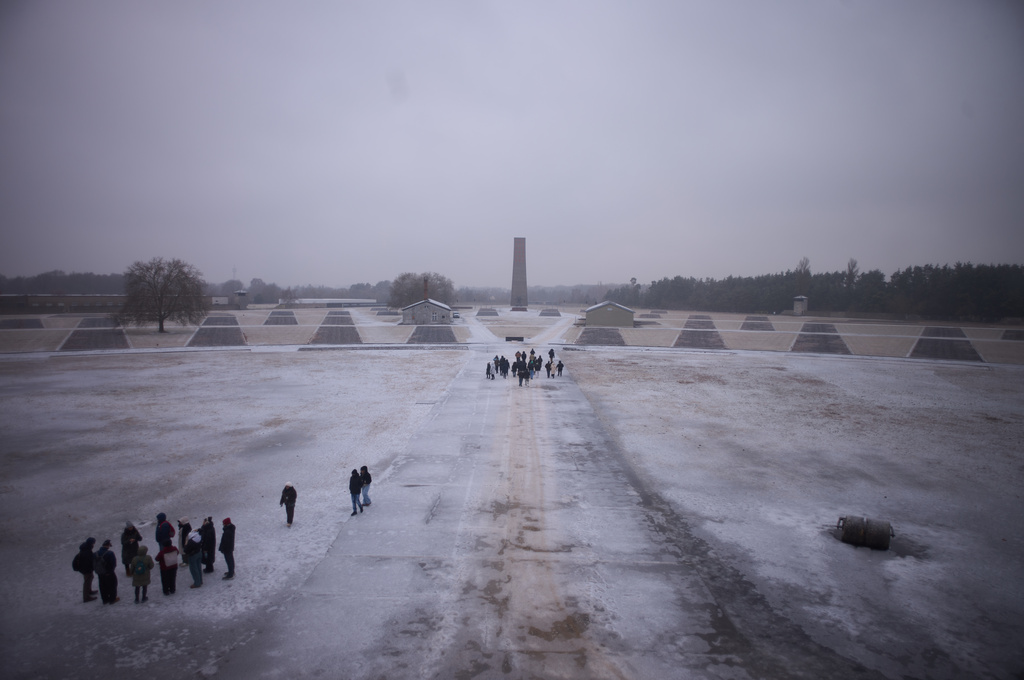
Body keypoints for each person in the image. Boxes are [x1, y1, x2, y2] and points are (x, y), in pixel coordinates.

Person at [73, 537, 98, 603]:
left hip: (84, 568)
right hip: (86, 569)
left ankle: (89, 591)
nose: (94, 544)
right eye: (93, 543)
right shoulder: (87, 551)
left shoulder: (86, 548)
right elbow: (88, 561)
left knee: (90, 578)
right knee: (87, 581)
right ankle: (86, 597)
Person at [94, 539, 119, 604]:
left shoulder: (95, 553)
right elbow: (113, 564)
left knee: (102, 586)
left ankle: (105, 599)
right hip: (109, 573)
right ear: (108, 545)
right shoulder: (110, 553)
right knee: (112, 585)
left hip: (100, 573)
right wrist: (110, 571)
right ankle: (112, 599)